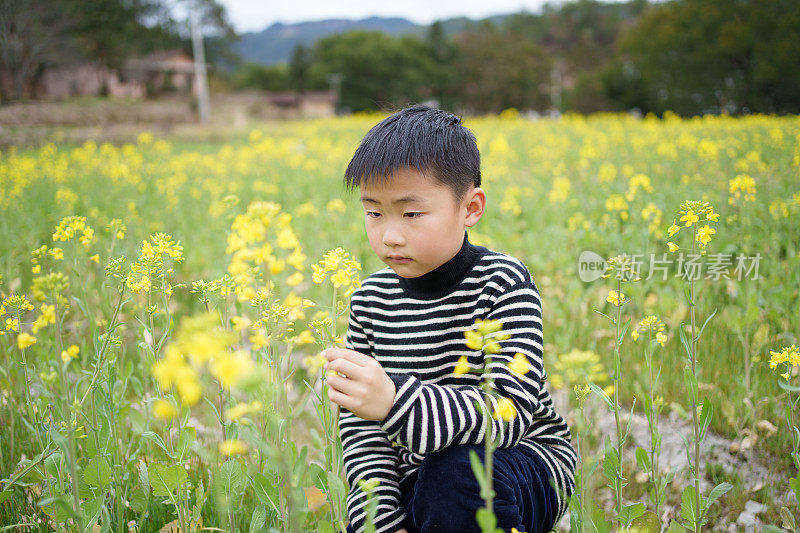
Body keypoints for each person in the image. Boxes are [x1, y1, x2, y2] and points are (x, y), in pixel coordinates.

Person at [321, 104, 576, 533]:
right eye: (373, 212)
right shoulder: (368, 300)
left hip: (521, 466)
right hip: (421, 477)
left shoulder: (502, 283)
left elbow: (509, 413)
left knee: (458, 471)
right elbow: (363, 431)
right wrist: (382, 520)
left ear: (471, 208)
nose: (390, 235)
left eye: (411, 213)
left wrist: (395, 401)